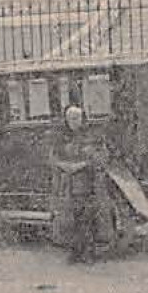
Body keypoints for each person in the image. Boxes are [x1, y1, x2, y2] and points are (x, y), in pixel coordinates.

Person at [49, 105, 108, 264]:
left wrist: (81, 165)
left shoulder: (92, 137)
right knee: (70, 220)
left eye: (76, 118)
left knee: (87, 218)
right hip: (67, 185)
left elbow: (101, 158)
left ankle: (88, 252)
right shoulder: (61, 138)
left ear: (83, 119)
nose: (73, 122)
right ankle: (74, 252)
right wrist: (63, 166)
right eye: (70, 119)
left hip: (87, 183)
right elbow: (53, 159)